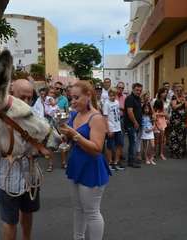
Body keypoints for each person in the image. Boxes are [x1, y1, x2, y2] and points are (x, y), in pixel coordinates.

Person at [59, 80, 110, 240]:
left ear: (88, 95)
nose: (72, 101)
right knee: (78, 208)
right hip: (76, 164)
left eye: (76, 97)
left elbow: (97, 148)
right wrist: (65, 137)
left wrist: (74, 135)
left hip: (91, 167)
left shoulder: (96, 118)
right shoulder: (74, 114)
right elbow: (72, 139)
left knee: (92, 212)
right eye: (71, 98)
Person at [0, 79, 42, 240]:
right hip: (7, 177)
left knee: (28, 212)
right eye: (23, 97)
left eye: (30, 98)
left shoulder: (34, 115)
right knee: (10, 220)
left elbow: (41, 142)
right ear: (11, 94)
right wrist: (7, 152)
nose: (27, 102)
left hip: (30, 173)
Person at [103, 88, 124, 171]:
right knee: (110, 146)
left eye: (114, 95)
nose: (112, 97)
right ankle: (110, 163)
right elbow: (105, 117)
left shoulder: (117, 102)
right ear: (108, 95)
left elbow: (118, 114)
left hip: (118, 127)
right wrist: (108, 129)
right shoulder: (106, 103)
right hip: (111, 128)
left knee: (120, 144)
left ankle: (116, 162)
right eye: (111, 95)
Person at [124, 83, 143, 168]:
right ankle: (131, 161)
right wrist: (135, 122)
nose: (139, 92)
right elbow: (130, 112)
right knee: (132, 143)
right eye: (137, 90)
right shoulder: (130, 98)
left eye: (140, 90)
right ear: (133, 89)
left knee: (134, 142)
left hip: (136, 124)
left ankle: (132, 158)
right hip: (131, 124)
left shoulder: (138, 98)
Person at [169, 83, 187, 159]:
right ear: (176, 89)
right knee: (174, 135)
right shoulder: (174, 97)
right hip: (175, 119)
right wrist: (182, 103)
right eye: (178, 88)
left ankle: (180, 152)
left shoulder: (184, 97)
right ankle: (174, 152)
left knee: (182, 136)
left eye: (181, 88)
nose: (179, 90)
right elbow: (174, 107)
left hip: (182, 119)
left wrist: (185, 102)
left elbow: (186, 108)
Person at [54, 81, 69, 169]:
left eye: (58, 88)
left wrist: (59, 115)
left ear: (61, 90)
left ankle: (64, 162)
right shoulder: (50, 98)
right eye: (55, 88)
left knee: (63, 142)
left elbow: (67, 114)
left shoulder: (64, 99)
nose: (56, 90)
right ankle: (50, 164)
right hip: (51, 124)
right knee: (51, 144)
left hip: (61, 123)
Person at [153, 88, 168, 160]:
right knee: (156, 140)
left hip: (163, 124)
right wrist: (158, 114)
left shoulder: (162, 108)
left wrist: (159, 114)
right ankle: (154, 153)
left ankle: (161, 153)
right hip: (157, 125)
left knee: (162, 140)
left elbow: (165, 114)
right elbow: (153, 115)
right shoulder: (154, 103)